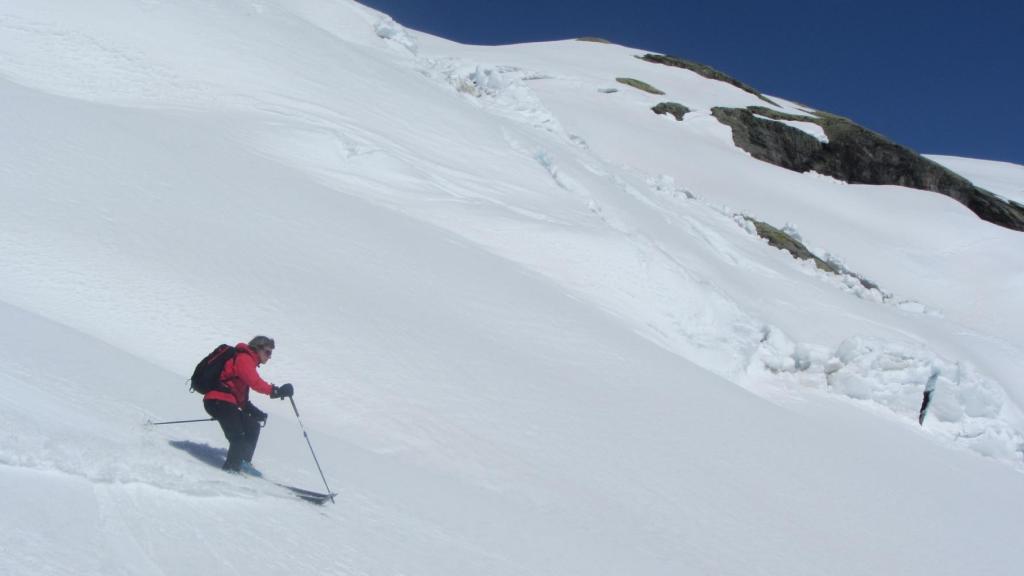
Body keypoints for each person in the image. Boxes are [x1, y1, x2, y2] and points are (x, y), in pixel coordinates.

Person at [203, 335, 294, 472]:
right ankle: (231, 470)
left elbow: (238, 394)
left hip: (225, 402)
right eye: (267, 352)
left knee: (252, 426)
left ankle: (243, 463)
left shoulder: (247, 361)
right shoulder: (244, 359)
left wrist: (251, 409)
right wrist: (276, 391)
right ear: (258, 348)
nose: (269, 357)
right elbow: (255, 382)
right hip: (218, 400)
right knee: (238, 437)